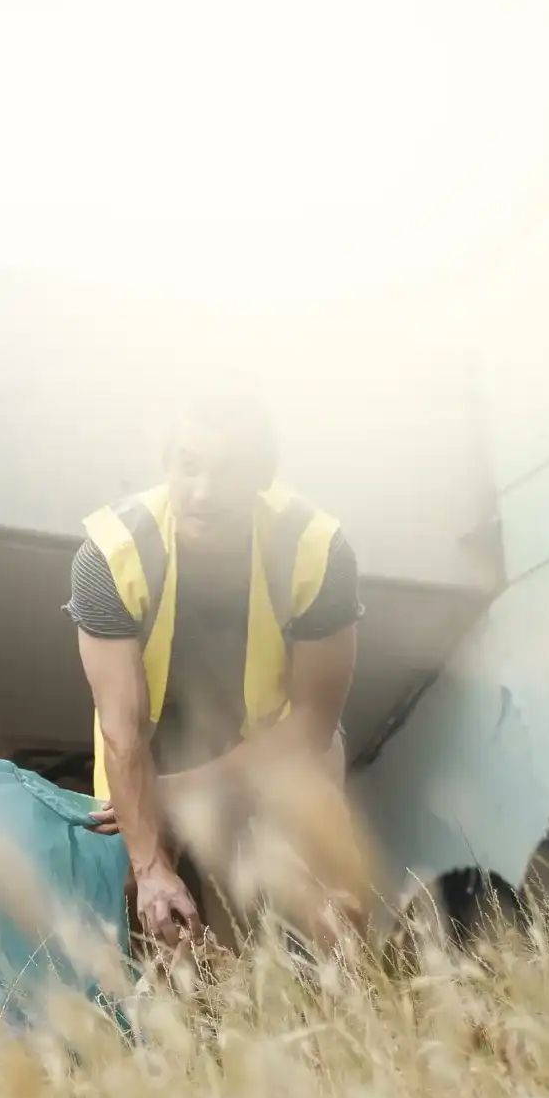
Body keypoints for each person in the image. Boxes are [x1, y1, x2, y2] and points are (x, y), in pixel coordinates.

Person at [69, 390, 362, 947]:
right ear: (166, 463)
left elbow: (313, 725)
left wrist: (177, 790)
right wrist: (153, 866)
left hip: (280, 731)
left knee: (330, 887)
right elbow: (122, 732)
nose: (203, 492)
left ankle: (343, 1011)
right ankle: (177, 1023)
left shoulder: (319, 549)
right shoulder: (109, 554)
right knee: (138, 891)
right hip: (156, 735)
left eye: (228, 473)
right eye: (189, 466)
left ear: (263, 475)